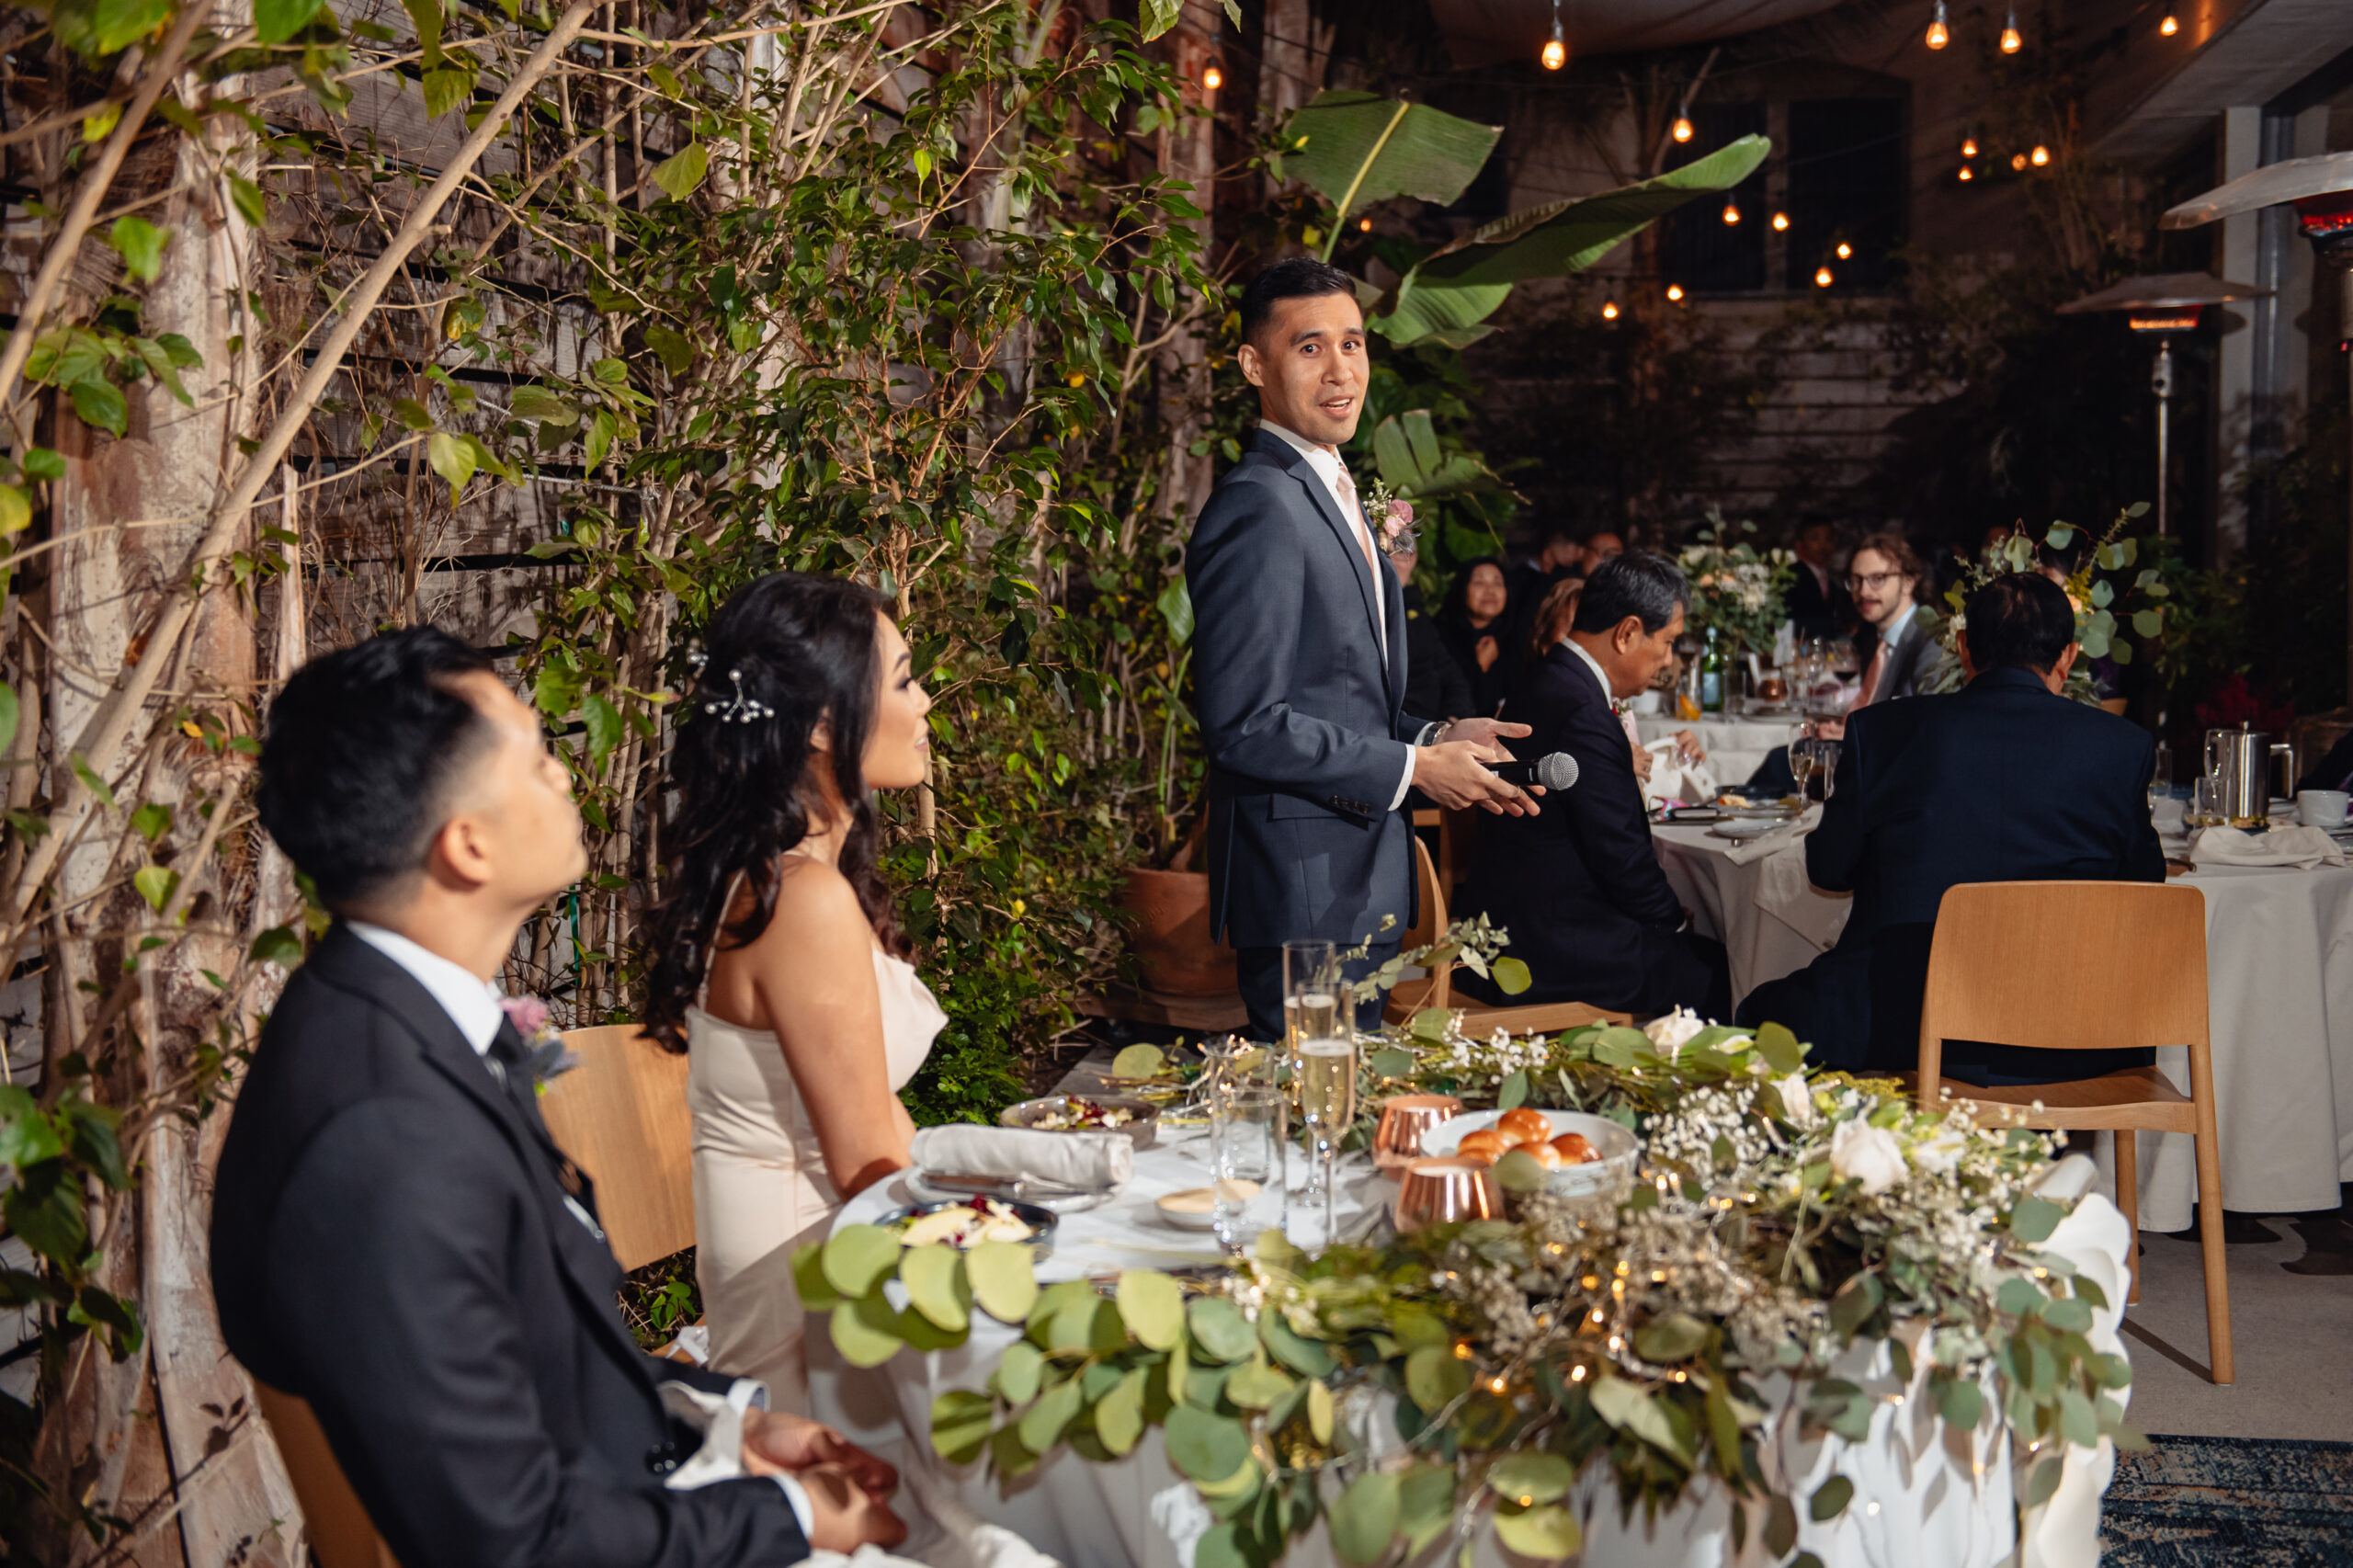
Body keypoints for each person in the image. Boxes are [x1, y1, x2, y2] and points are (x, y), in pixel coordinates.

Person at [211, 629, 906, 1568]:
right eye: (539, 760)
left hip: (644, 1475)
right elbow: (513, 1540)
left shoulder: (390, 1011)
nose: (568, 779)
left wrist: (721, 1421)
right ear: (468, 844)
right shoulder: (381, 1134)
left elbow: (527, 1354)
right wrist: (784, 1516)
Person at [1187, 256, 1536, 1040]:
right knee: (1313, 1128)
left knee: (1344, 1129)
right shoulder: (1261, 508)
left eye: (1353, 344)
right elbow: (1245, 722)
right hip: (1303, 894)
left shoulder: (1329, 492)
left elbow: (1338, 693)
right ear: (1254, 364)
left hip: (1352, 883)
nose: (1340, 369)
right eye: (1310, 348)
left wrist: (1436, 737)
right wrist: (1414, 771)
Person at [639, 573, 945, 1409]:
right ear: (819, 725)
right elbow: (866, 1167)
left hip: (840, 1264)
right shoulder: (799, 901)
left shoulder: (794, 875)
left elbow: (881, 1121)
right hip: (809, 1330)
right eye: (907, 679)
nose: (925, 706)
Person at [1736, 574, 2165, 1076]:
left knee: (1756, 1015)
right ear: (2069, 657)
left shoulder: (1882, 733)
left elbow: (1828, 870)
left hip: (1898, 1025)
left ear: (1962, 647)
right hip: (2075, 1038)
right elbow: (2145, 885)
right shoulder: (2121, 747)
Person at [1456, 554, 1732, 1019]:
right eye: (1666, 643)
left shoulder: (1546, 679)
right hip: (1552, 950)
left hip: (1513, 929)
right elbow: (1623, 859)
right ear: (1626, 633)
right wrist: (1674, 923)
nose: (1667, 661)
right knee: (1728, 968)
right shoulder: (1583, 712)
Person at [1743, 531, 1944, 795]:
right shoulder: (1876, 637)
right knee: (1789, 755)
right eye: (1856, 580)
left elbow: (1928, 730)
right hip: (1867, 751)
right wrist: (1843, 728)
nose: (1863, 591)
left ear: (1908, 582)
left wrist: (1855, 738)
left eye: (1877, 579)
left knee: (1781, 764)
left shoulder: (1929, 640)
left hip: (1896, 769)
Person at [1392, 528, 1473, 724]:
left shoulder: (1416, 613)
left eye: (1407, 547)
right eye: (1395, 546)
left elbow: (1448, 671)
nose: (1404, 555)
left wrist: (1455, 713)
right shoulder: (1367, 608)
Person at [1436, 557, 1519, 717]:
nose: (1490, 591)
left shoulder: (1514, 640)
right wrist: (1480, 667)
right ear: (1463, 588)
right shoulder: (1439, 636)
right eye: (1479, 583)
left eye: (1497, 583)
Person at [1782, 515, 1854, 639]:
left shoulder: (1833, 579)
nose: (1823, 545)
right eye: (1814, 538)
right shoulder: (1790, 576)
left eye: (1828, 538)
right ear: (1800, 545)